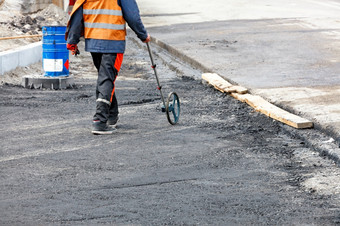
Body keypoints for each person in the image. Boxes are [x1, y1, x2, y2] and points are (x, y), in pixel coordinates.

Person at [65, 0, 150, 135]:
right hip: (113, 41)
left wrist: (72, 40)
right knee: (106, 79)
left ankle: (111, 115)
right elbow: (132, 16)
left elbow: (77, 13)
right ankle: (99, 120)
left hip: (93, 40)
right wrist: (143, 35)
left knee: (105, 77)